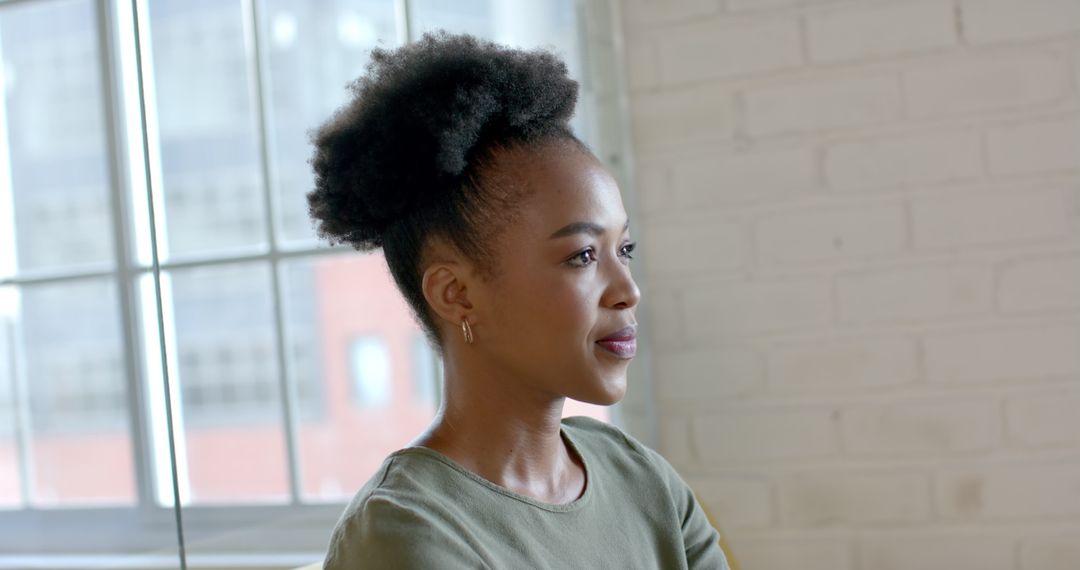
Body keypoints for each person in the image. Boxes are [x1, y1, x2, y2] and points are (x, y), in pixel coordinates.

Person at [307, 30, 730, 569]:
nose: (628, 290)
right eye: (581, 255)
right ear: (456, 294)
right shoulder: (406, 533)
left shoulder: (642, 479)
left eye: (624, 249)